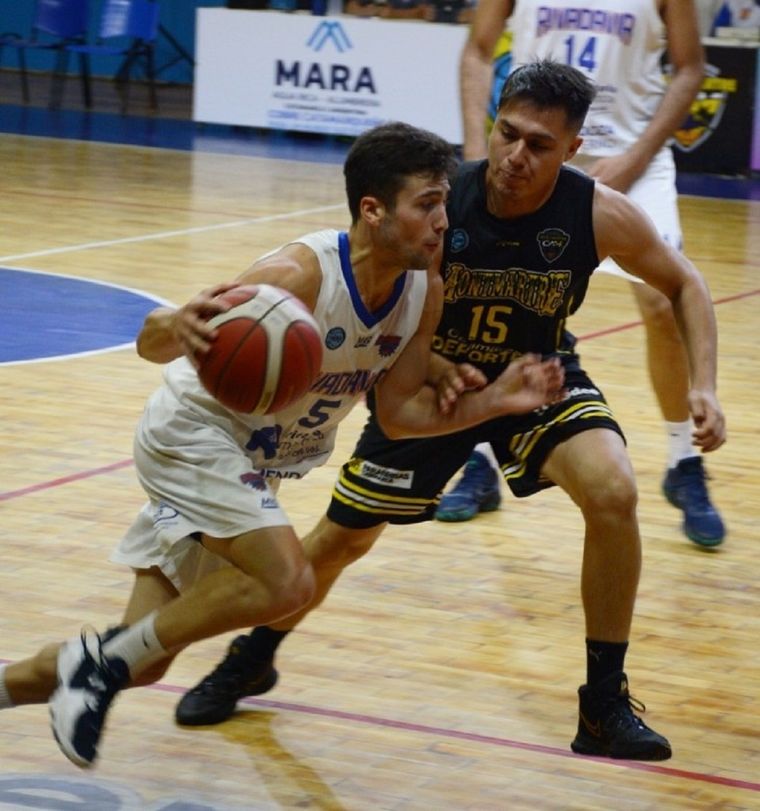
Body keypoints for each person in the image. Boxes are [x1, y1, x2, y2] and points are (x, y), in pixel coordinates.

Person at [174, 62, 725, 761]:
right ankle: (256, 652)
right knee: (344, 539)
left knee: (614, 490)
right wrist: (420, 366)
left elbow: (685, 283)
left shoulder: (595, 211)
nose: (516, 157)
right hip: (435, 383)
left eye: (540, 146)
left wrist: (703, 385)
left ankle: (603, 702)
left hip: (537, 375)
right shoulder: (438, 206)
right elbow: (374, 294)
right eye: (508, 134)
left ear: (573, 149)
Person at [0, 121, 566, 769]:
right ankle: (98, 664)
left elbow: (402, 415)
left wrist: (495, 402)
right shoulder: (297, 273)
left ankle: (71, 671)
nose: (444, 221)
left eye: (444, 202)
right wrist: (172, 322)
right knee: (289, 580)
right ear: (372, 210)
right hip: (194, 437)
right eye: (427, 204)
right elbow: (155, 342)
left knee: (148, 662)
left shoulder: (423, 291)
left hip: (252, 466)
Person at [440, 0, 726, 549]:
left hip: (627, 156)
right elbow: (479, 49)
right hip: (525, 148)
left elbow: (690, 67)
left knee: (663, 303)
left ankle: (682, 461)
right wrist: (478, 151)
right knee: (475, 292)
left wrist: (638, 157)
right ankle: (480, 459)